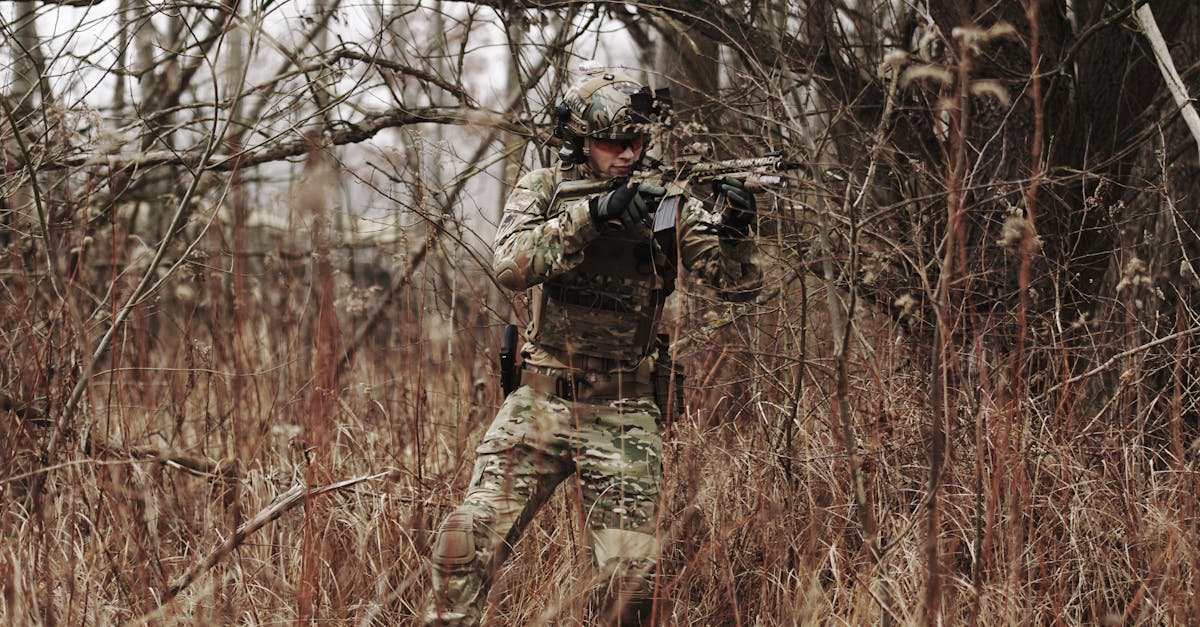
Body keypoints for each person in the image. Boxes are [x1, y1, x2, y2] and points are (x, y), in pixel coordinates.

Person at [425, 67, 762, 626]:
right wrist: (592, 217)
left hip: (624, 408)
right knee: (464, 542)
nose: (628, 154)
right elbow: (510, 266)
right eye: (613, 143)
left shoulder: (665, 201)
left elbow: (740, 284)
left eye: (637, 142)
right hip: (540, 401)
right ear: (581, 141)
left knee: (630, 586)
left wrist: (736, 231)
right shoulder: (545, 189)